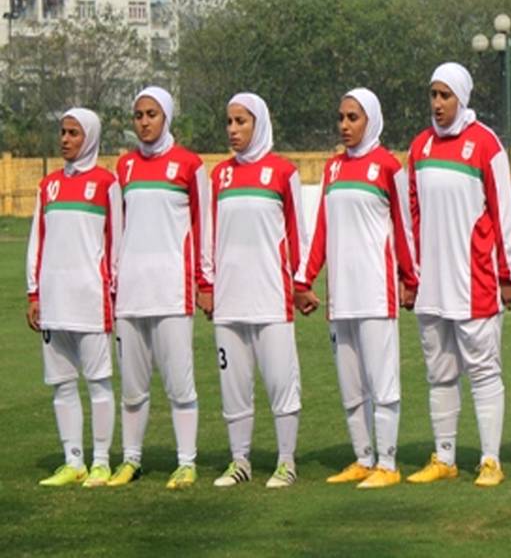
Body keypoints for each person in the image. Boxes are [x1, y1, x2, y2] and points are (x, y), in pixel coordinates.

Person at [404, 63, 511, 488]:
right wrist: (411, 275)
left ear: (462, 97)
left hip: (475, 281)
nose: (437, 104)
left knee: (484, 370)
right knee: (439, 372)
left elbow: (504, 212)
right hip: (432, 285)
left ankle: (491, 460)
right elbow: (411, 214)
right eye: (433, 95)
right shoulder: (420, 147)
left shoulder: (485, 144)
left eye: (446, 95)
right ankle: (445, 457)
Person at [298, 88, 417, 489]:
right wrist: (304, 280)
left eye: (353, 118)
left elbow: (404, 228)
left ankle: (388, 464)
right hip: (340, 297)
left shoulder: (388, 166)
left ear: (371, 120)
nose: (345, 125)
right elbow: (321, 230)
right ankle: (363, 458)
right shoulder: (332, 169)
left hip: (376, 294)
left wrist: (410, 279)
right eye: (341, 118)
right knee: (351, 386)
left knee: (382, 382)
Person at [210, 93, 318, 489]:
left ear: (260, 124)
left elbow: (297, 234)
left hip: (271, 298)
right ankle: (239, 461)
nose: (233, 130)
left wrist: (300, 285)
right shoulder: (219, 176)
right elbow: (209, 236)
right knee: (234, 388)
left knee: (281, 383)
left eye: (241, 122)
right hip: (228, 301)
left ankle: (286, 462)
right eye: (229, 122)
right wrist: (207, 285)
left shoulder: (282, 173)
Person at [109, 87, 211, 490]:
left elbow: (204, 226)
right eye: (138, 115)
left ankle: (186, 462)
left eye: (152, 114)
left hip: (172, 292)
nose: (144, 122)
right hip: (130, 295)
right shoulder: (125, 167)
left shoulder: (189, 165)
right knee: (132, 389)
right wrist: (113, 282)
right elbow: (115, 229)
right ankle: (130, 460)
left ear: (167, 116)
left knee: (179, 384)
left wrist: (204, 281)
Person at [26, 108, 121, 488]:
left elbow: (117, 243)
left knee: (98, 382)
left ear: (91, 137)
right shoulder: (47, 186)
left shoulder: (106, 184)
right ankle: (74, 461)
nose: (65, 140)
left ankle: (101, 462)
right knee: (62, 384)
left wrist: (113, 290)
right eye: (63, 132)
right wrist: (34, 292)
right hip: (54, 301)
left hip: (90, 300)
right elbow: (37, 241)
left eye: (73, 133)